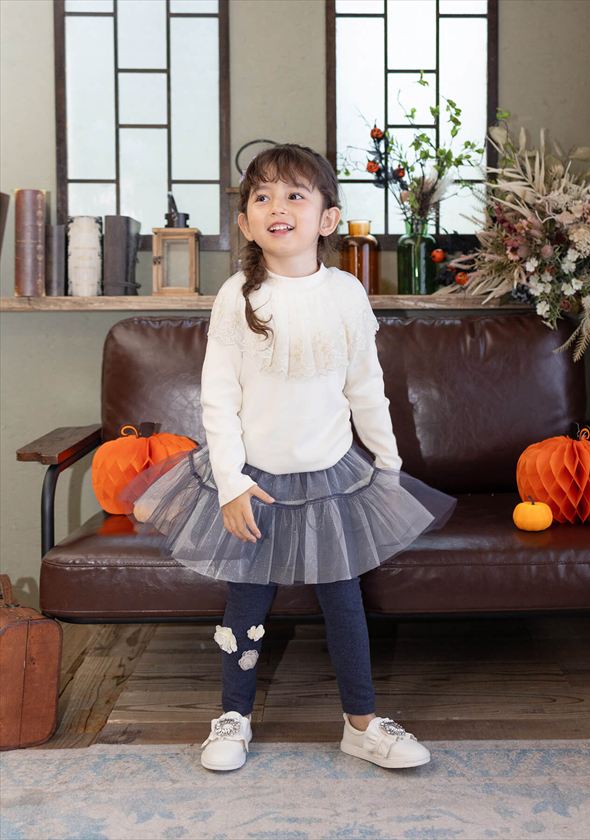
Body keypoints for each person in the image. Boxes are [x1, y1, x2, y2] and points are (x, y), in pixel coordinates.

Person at [118, 143, 457, 773]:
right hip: (254, 482)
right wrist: (229, 483)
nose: (278, 207)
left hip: (333, 479)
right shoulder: (236, 296)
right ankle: (233, 716)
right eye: (262, 196)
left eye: (295, 195)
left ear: (327, 218)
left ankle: (361, 724)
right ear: (245, 222)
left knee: (344, 599)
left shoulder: (347, 293)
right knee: (246, 599)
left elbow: (366, 388)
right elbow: (218, 399)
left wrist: (387, 466)